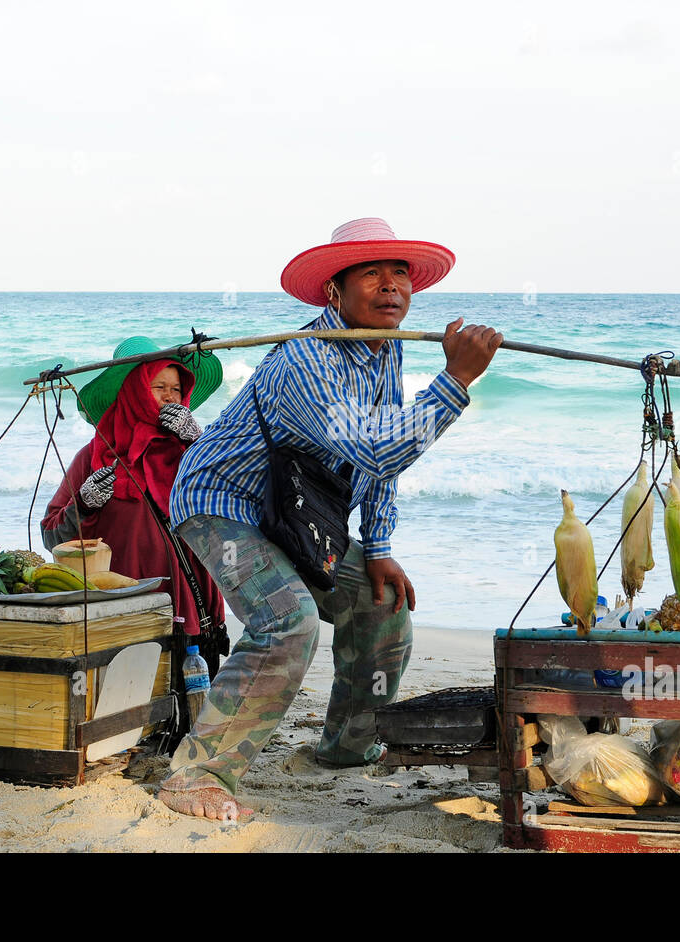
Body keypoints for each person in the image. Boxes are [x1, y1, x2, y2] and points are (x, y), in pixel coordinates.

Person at [157, 218, 502, 820]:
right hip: (222, 504)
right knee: (287, 620)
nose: (391, 286)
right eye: (372, 273)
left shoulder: (384, 350)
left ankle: (346, 747)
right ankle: (196, 775)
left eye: (401, 274)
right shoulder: (304, 358)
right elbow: (373, 447)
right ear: (334, 293)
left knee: (381, 606)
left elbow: (379, 467)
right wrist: (455, 379)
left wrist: (378, 545)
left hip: (294, 517)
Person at [42, 337, 226, 645]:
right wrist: (84, 503)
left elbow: (229, 500)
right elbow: (52, 536)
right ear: (134, 392)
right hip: (114, 612)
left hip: (192, 607)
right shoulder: (92, 457)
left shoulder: (193, 450)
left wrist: (198, 442)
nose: (170, 397)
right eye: (159, 387)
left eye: (176, 389)